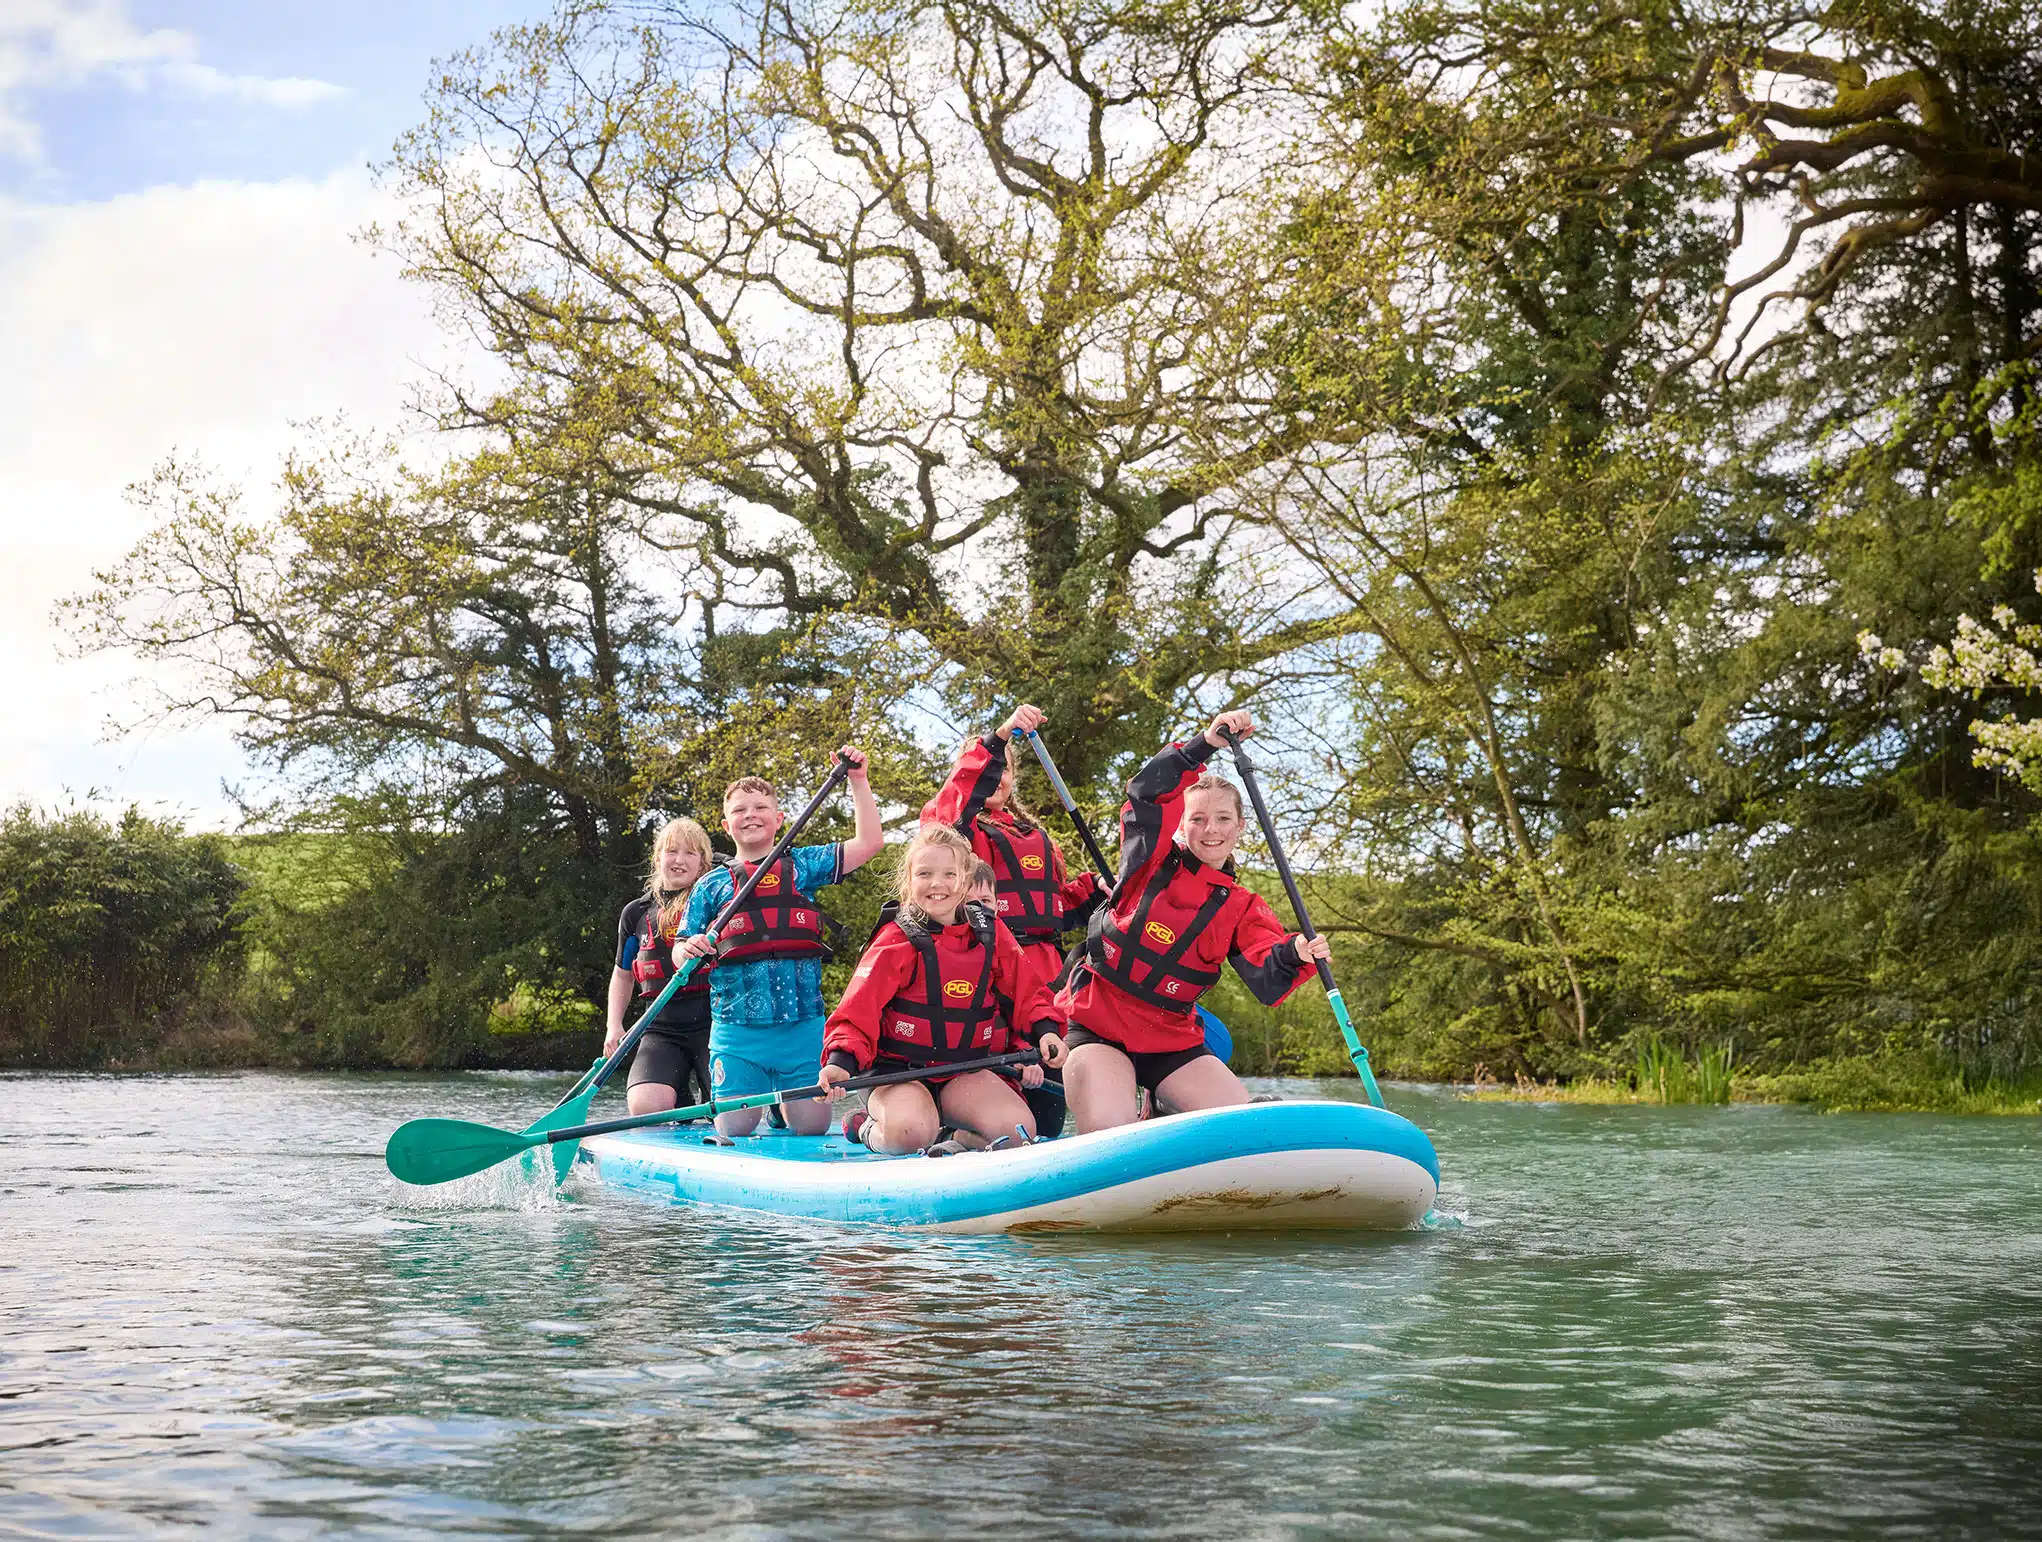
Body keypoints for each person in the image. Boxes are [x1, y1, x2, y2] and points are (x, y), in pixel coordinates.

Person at [1057, 709, 1330, 1133]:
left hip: (1170, 1038)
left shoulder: (1243, 905)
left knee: (1246, 1131)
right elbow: (1146, 794)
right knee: (1113, 1129)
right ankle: (1138, 1114)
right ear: (1181, 826)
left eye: (1223, 819)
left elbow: (1266, 966)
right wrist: (1202, 745)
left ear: (1240, 825)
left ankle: (1165, 1107)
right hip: (1099, 1025)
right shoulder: (1148, 859)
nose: (1211, 829)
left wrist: (1296, 950)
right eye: (1198, 819)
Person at [819, 824, 1066, 1153]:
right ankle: (866, 1126)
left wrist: (1046, 1031)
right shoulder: (896, 940)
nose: (937, 884)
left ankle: (951, 1139)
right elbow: (856, 1011)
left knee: (1018, 1133)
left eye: (949, 874)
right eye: (925, 873)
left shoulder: (991, 933)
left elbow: (1029, 994)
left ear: (965, 880)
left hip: (964, 1070)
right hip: (897, 1074)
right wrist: (839, 1061)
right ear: (910, 881)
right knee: (909, 1134)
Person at [674, 750, 882, 1138]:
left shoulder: (803, 866)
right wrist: (686, 949)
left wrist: (858, 780)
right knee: (734, 1129)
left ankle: (781, 1109)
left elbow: (869, 843)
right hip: (737, 1032)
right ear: (726, 825)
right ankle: (765, 1101)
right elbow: (680, 946)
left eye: (760, 807)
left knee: (813, 1128)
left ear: (779, 820)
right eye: (740, 810)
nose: (750, 814)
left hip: (802, 1027)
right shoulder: (710, 884)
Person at [922, 704, 1103, 978]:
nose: (996, 778)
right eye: (991, 769)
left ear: (1013, 777)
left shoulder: (1034, 836)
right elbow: (959, 792)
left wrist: (1096, 887)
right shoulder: (953, 825)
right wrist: (1002, 734)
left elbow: (1057, 906)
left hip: (1048, 970)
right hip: (986, 963)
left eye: (1004, 770)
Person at [607, 816, 718, 1117]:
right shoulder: (636, 913)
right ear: (658, 858)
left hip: (718, 1024)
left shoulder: (718, 904)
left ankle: (711, 1105)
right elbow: (622, 973)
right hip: (661, 1027)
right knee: (645, 1108)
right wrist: (613, 1026)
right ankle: (680, 1103)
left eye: (690, 853)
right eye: (672, 851)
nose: (679, 860)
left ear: (703, 863)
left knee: (729, 1112)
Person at [966, 857, 1068, 1139]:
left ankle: (964, 1137)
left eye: (985, 901)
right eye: (968, 901)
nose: (978, 911)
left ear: (998, 905)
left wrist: (1025, 1053)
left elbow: (1026, 1002)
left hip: (997, 1063)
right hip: (945, 1070)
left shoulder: (1001, 944)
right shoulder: (928, 944)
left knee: (1045, 1128)